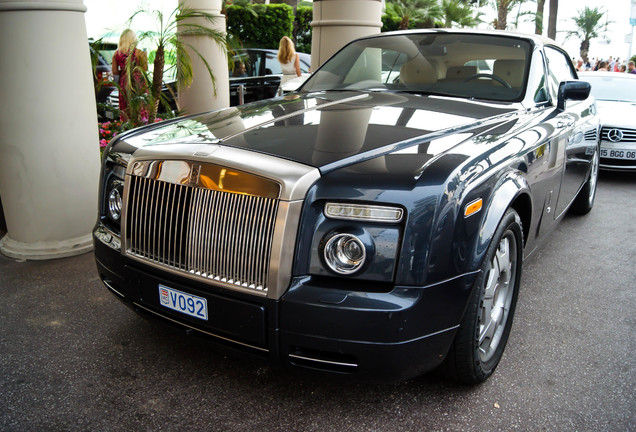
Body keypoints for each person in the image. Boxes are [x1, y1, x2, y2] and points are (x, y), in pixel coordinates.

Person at [112, 29, 148, 121]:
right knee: (140, 106)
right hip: (138, 81)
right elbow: (145, 69)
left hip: (124, 82)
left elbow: (115, 71)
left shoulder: (116, 54)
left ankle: (127, 126)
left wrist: (124, 72)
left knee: (126, 107)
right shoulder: (138, 52)